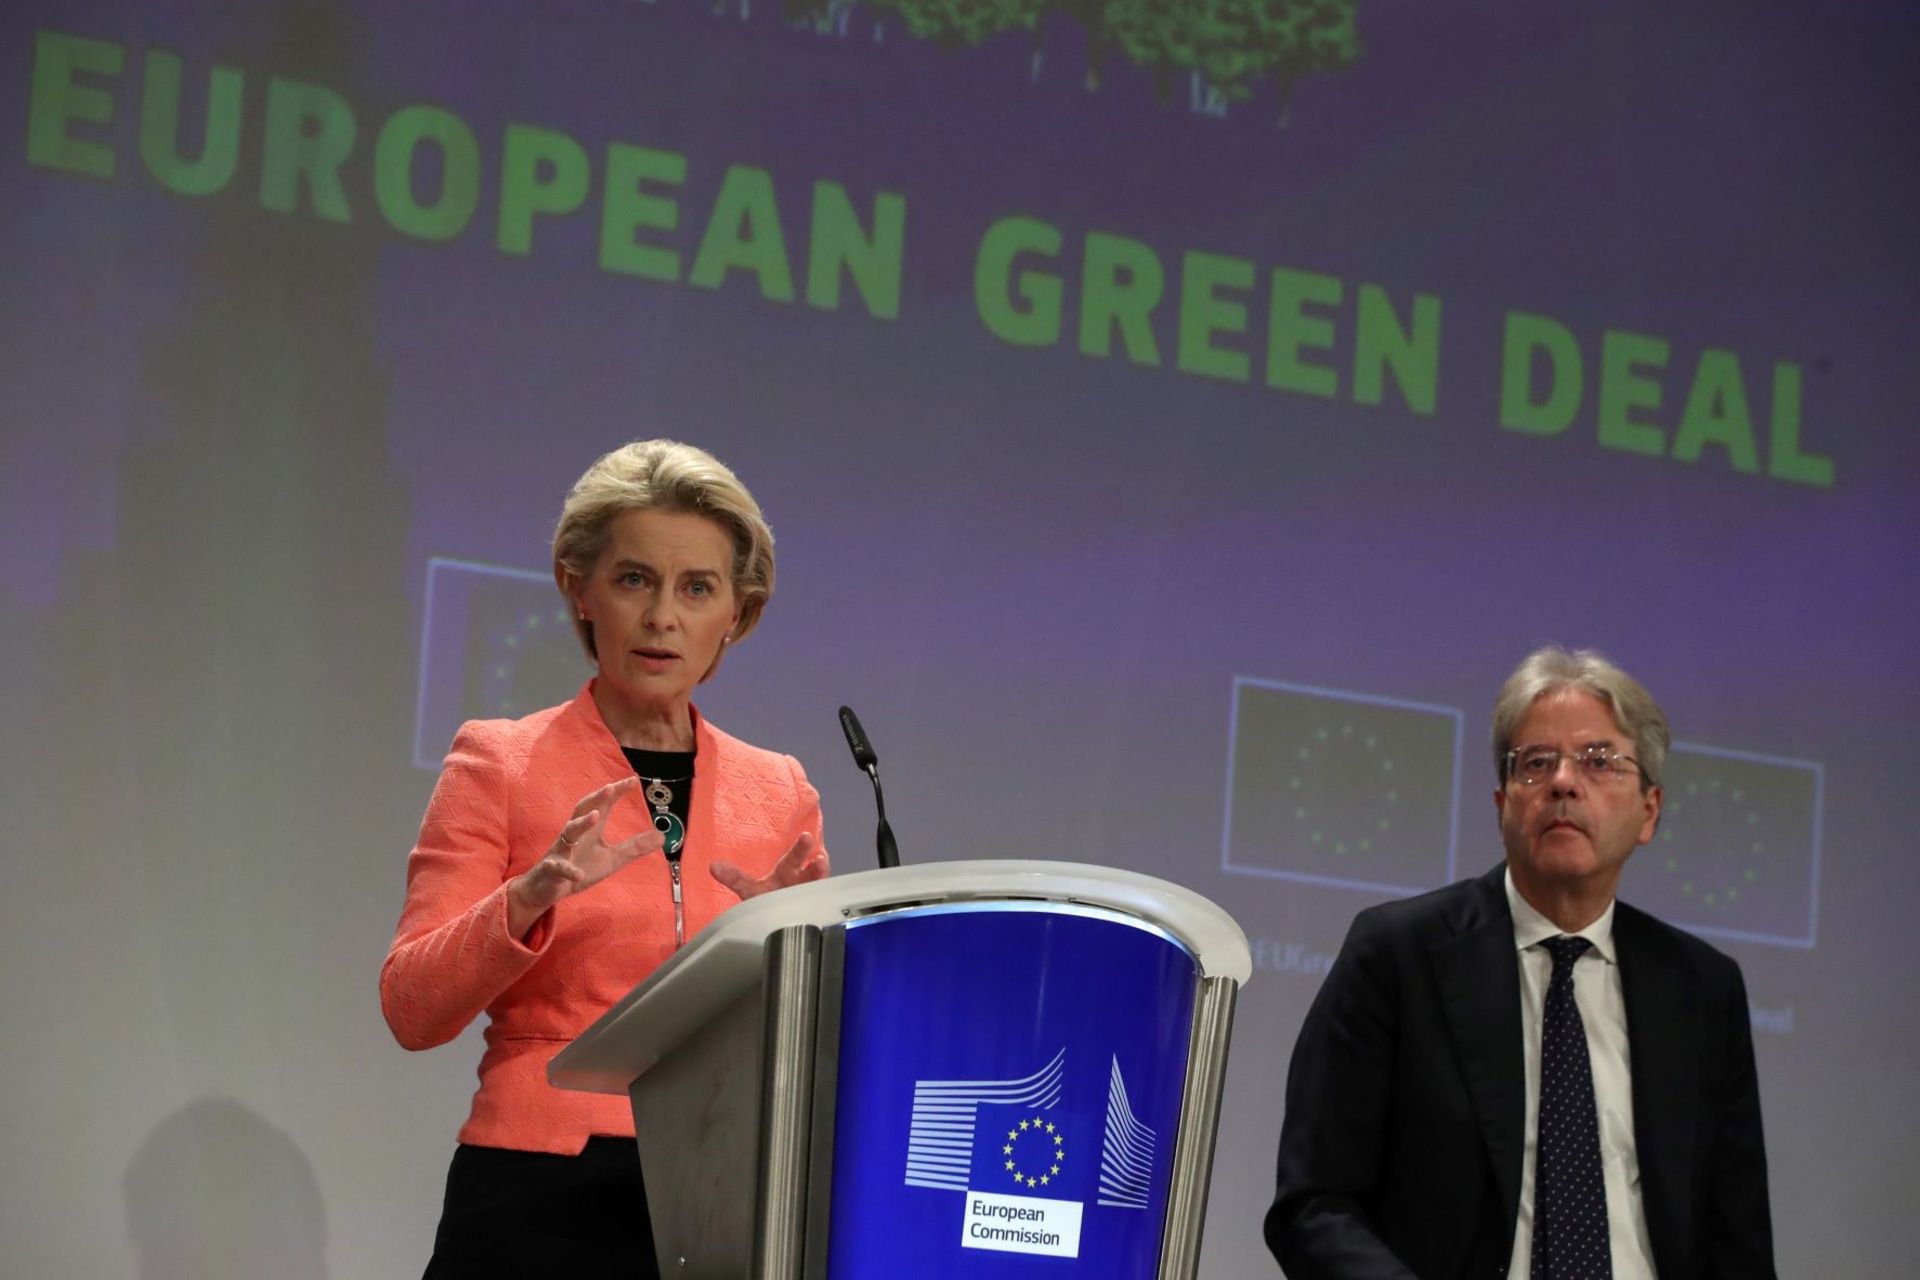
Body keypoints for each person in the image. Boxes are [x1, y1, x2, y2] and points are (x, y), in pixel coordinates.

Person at [380, 439, 830, 1278]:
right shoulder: (500, 763)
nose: (663, 616)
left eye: (697, 588)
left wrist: (801, 967)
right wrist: (526, 900)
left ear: (737, 613)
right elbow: (413, 1008)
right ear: (578, 588)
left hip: (721, 1193)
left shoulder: (781, 794)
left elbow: (815, 1053)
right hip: (534, 1194)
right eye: (633, 579)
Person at [1265, 646, 1775, 1279]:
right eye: (1536, 763)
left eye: (1598, 761)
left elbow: (1737, 1243)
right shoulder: (1396, 955)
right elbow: (1314, 1205)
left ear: (1649, 810)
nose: (1563, 782)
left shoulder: (1701, 988)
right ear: (1503, 803)